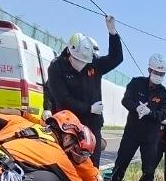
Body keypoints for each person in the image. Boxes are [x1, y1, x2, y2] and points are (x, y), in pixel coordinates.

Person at [45, 16, 121, 165]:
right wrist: (89, 108)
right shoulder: (56, 67)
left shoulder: (93, 64)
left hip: (92, 124)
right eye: (78, 60)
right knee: (67, 164)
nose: (81, 64)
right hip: (68, 126)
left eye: (84, 62)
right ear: (69, 52)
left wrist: (113, 33)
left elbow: (116, 58)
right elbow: (62, 99)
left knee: (91, 165)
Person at [108, 53, 166, 181]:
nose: (158, 76)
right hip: (132, 132)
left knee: (149, 169)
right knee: (121, 163)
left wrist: (150, 112)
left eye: (162, 74)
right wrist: (136, 107)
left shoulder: (164, 94)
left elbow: (164, 113)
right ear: (149, 70)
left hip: (151, 137)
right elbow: (126, 100)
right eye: (156, 72)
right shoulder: (136, 83)